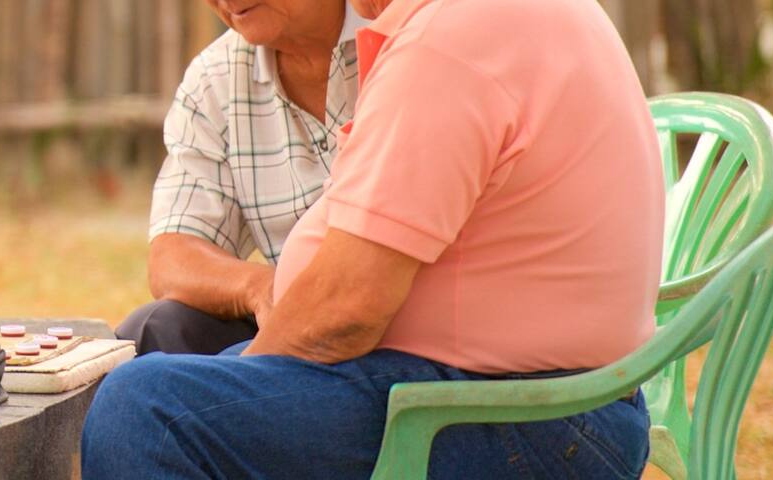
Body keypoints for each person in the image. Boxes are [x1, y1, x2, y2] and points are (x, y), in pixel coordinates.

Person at [83, 0, 662, 477]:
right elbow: (179, 253)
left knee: (146, 408)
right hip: (519, 397)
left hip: (516, 413)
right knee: (158, 342)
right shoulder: (477, 23)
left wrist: (252, 376)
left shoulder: (448, 41)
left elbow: (344, 310)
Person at [122, 0, 369, 355]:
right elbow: (172, 256)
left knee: (143, 389)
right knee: (154, 331)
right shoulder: (216, 77)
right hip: (294, 330)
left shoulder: (407, 37)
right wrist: (261, 288)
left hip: (408, 329)